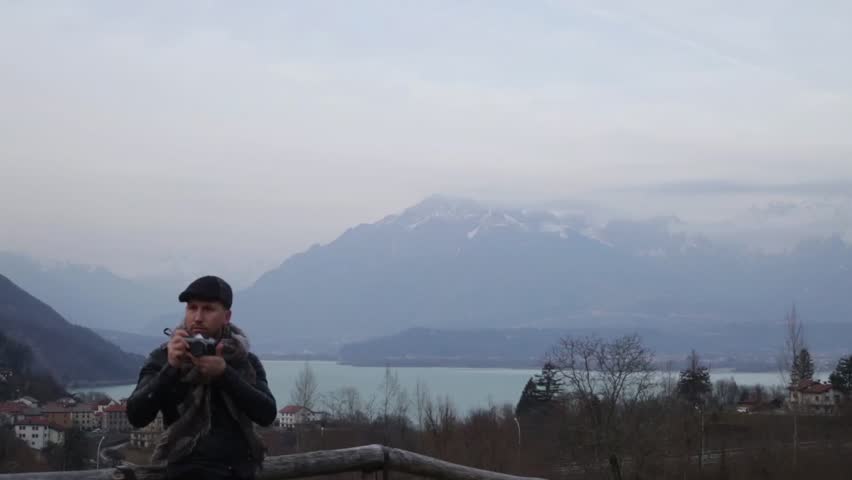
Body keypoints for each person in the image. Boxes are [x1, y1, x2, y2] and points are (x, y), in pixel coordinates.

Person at [127, 275, 277, 480]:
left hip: (237, 472)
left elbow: (267, 413)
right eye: (192, 308)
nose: (197, 317)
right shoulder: (164, 357)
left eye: (208, 309)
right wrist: (171, 369)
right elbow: (136, 415)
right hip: (182, 473)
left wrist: (225, 374)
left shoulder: (244, 361)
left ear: (226, 316)